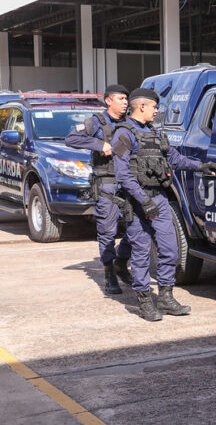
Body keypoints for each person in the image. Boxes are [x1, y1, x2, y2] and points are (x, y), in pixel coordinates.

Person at [111, 88, 216, 321]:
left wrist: (201, 166)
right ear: (142, 106)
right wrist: (144, 201)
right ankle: (144, 302)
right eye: (154, 106)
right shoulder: (124, 134)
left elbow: (175, 159)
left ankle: (166, 298)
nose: (156, 110)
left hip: (158, 198)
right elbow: (123, 175)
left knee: (170, 249)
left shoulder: (154, 133)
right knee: (141, 252)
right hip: (136, 201)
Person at [66, 84, 133, 294]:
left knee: (137, 227)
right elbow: (71, 138)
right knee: (108, 230)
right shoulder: (96, 121)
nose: (125, 102)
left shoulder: (130, 122)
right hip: (107, 182)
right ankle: (109, 273)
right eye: (121, 99)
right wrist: (99, 144)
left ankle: (121, 262)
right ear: (108, 101)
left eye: (126, 99)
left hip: (130, 181)